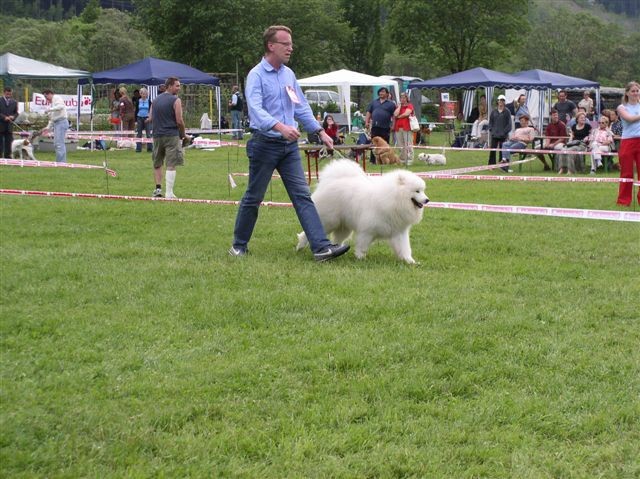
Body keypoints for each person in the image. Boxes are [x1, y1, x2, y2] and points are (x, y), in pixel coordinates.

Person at [229, 25, 349, 262]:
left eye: (291, 44)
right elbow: (256, 111)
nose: (291, 48)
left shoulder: (288, 74)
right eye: (286, 44)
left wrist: (320, 131)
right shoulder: (256, 76)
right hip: (264, 144)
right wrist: (280, 127)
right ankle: (238, 246)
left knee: (303, 196)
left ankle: (321, 248)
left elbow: (300, 106)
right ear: (271, 46)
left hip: (288, 148)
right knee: (254, 197)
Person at [148, 77, 187, 199]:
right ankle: (169, 193)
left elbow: (150, 117)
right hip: (171, 135)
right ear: (169, 86)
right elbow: (179, 121)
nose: (179, 88)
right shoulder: (176, 100)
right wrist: (183, 135)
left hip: (157, 135)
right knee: (171, 164)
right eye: (177, 86)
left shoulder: (155, 101)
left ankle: (158, 189)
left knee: (157, 163)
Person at [615, 81, 640, 206]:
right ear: (627, 93)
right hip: (628, 142)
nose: (635, 93)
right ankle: (624, 201)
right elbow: (629, 119)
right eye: (633, 91)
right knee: (627, 172)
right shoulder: (622, 107)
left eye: (637, 91)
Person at [365, 86, 396, 164]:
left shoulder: (391, 104)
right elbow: (369, 112)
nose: (381, 93)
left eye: (383, 92)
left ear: (387, 94)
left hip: (385, 127)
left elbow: (394, 116)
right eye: (380, 92)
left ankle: (387, 160)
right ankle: (373, 161)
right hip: (375, 127)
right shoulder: (374, 102)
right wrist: (366, 122)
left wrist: (393, 125)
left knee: (385, 144)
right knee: (374, 144)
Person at [42, 89, 69, 163]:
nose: (46, 98)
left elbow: (61, 106)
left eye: (46, 96)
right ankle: (59, 161)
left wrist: (50, 109)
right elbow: (52, 119)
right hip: (57, 123)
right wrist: (47, 127)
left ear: (50, 94)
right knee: (56, 143)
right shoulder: (52, 104)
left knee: (59, 144)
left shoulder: (57, 98)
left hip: (61, 122)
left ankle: (61, 163)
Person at [488, 94, 512, 165]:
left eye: (502, 100)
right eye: (500, 100)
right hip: (494, 135)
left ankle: (502, 165)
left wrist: (504, 132)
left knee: (502, 151)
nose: (501, 102)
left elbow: (509, 124)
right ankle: (491, 165)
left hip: (503, 135)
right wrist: (491, 130)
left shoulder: (507, 112)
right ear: (497, 101)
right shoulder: (493, 111)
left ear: (504, 102)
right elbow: (490, 122)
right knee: (492, 150)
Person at [393, 92, 415, 166]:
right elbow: (395, 114)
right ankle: (402, 158)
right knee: (400, 144)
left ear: (407, 98)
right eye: (401, 98)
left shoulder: (410, 105)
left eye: (404, 97)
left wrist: (399, 117)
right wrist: (399, 106)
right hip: (398, 128)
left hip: (407, 127)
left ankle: (410, 159)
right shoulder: (398, 106)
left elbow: (406, 113)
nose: (402, 99)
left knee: (408, 143)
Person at [1, 87, 18, 159]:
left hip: (9, 126)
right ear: (4, 92)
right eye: (7, 93)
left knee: (9, 142)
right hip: (0, 124)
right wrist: (4, 117)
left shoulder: (14, 102)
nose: (9, 95)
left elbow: (16, 113)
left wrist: (13, 117)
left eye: (10, 94)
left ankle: (8, 157)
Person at [135, 87, 152, 153]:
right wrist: (135, 121)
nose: (143, 95)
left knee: (148, 134)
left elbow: (151, 110)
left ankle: (150, 148)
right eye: (142, 93)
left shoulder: (149, 101)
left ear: (147, 94)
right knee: (139, 134)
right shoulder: (138, 101)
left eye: (144, 93)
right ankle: (138, 149)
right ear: (140, 94)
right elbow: (136, 111)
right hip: (139, 117)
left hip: (147, 118)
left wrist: (149, 118)